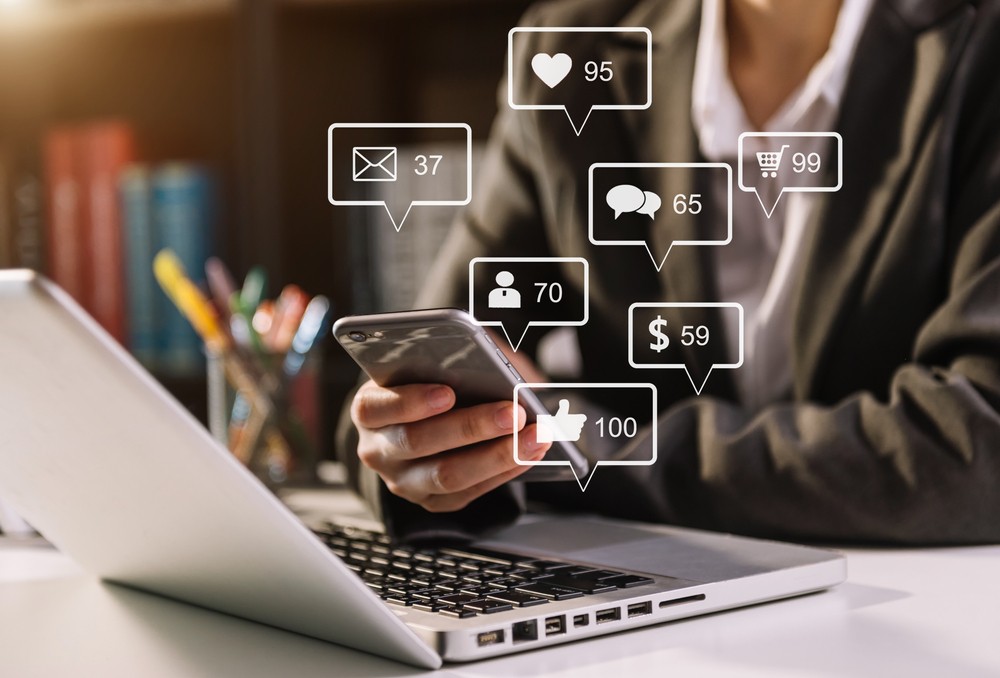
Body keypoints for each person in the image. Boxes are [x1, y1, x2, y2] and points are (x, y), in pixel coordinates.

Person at [337, 0, 1000, 544]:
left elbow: (980, 441)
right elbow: (416, 368)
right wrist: (406, 445)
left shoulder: (979, 48)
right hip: (640, 606)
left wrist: (596, 447)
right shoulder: (573, 53)